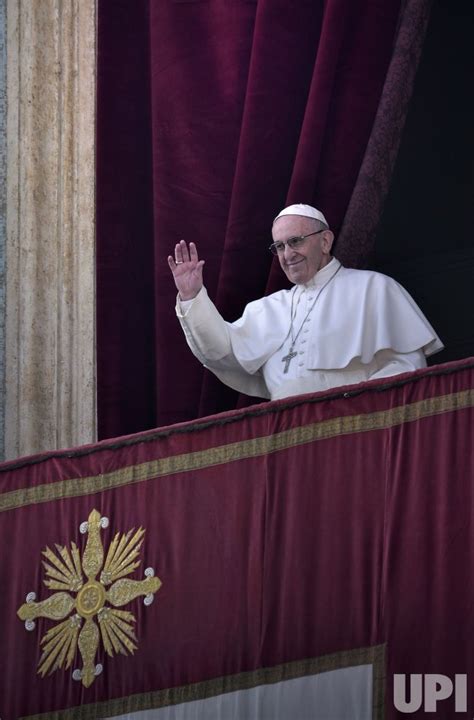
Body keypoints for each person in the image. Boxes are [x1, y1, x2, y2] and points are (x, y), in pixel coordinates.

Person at [168, 204, 443, 401]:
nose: (287, 254)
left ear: (325, 241)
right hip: (286, 439)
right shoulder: (268, 309)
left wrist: (358, 407)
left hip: (358, 433)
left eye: (296, 241)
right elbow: (222, 353)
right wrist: (193, 296)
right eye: (279, 246)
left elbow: (408, 368)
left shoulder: (374, 288)